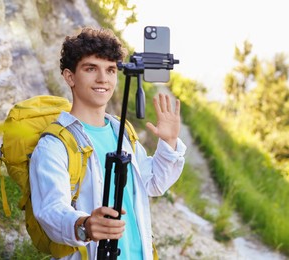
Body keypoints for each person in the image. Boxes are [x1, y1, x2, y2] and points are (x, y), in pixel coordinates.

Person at [29, 27, 186, 259]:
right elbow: (50, 210)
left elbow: (153, 183)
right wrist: (84, 226)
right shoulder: (55, 144)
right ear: (69, 76)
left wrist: (169, 143)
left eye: (110, 70)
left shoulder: (121, 133)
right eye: (91, 68)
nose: (103, 78)